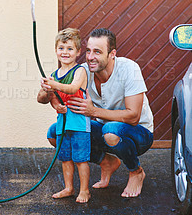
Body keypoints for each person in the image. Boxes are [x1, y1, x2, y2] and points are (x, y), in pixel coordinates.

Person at [38, 28, 154, 198]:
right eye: (88, 51)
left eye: (97, 52)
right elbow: (49, 97)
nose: (90, 57)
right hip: (103, 128)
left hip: (138, 134)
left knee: (111, 132)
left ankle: (136, 171)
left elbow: (133, 116)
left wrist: (93, 111)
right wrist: (47, 90)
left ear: (112, 53)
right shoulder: (83, 71)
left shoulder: (129, 69)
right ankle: (106, 161)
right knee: (55, 133)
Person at [39, 28, 91, 203]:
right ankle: (69, 188)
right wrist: (56, 103)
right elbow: (50, 98)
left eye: (70, 49)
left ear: (78, 51)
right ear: (56, 51)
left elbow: (73, 89)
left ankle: (84, 190)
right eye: (61, 48)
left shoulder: (80, 71)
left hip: (79, 123)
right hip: (63, 124)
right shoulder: (54, 75)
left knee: (80, 159)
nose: (65, 52)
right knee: (65, 158)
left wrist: (53, 84)